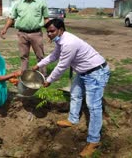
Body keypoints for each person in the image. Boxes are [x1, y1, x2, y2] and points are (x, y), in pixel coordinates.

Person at [32, 19, 110, 157]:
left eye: (52, 31)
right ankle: (73, 119)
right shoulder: (60, 40)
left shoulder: (69, 43)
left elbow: (62, 66)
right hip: (83, 72)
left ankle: (94, 141)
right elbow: (54, 55)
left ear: (61, 30)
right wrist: (39, 65)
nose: (49, 34)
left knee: (93, 106)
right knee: (75, 94)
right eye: (47, 31)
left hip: (96, 73)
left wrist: (49, 80)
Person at [0, 0, 49, 76]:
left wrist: (50, 32)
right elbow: (11, 18)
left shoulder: (41, 3)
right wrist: (5, 28)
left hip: (36, 33)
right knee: (23, 56)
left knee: (40, 55)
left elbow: (46, 19)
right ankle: (24, 75)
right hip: (22, 33)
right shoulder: (18, 4)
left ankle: (43, 74)